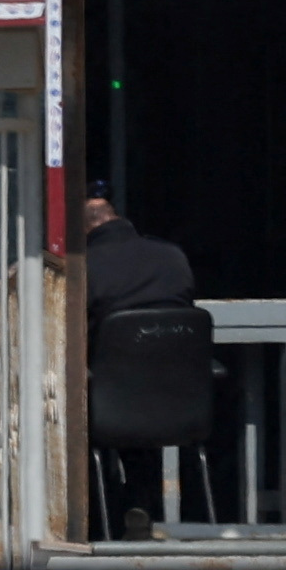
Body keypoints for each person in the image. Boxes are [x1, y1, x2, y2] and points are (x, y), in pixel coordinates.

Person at [77, 186, 213, 538]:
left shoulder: (85, 268)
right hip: (182, 407)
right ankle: (139, 501)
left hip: (111, 409)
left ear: (83, 230)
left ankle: (93, 516)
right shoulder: (173, 258)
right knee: (138, 388)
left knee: (85, 396)